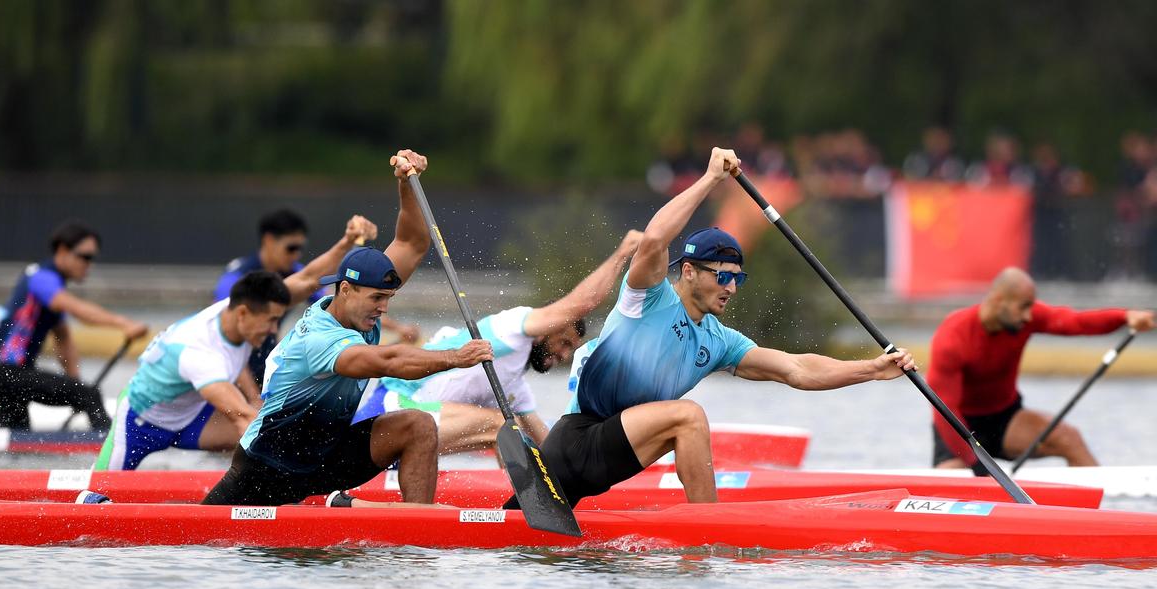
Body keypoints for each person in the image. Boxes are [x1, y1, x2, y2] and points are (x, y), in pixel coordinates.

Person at [507, 147, 915, 509]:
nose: (732, 287)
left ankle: (702, 527)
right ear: (688, 271)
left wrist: (873, 370)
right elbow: (652, 241)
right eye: (723, 276)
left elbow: (796, 369)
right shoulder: (647, 297)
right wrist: (711, 179)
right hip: (577, 441)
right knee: (689, 417)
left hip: (609, 456)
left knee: (686, 421)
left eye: (738, 278)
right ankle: (709, 530)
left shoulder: (719, 341)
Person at [202, 150, 494, 507]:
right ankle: (343, 506)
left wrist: (407, 184)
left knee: (418, 425)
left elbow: (412, 243)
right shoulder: (321, 339)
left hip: (327, 457)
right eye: (377, 299)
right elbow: (388, 360)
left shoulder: (361, 302)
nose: (384, 307)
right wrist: (455, 357)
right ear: (345, 290)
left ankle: (419, 530)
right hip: (267, 470)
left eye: (388, 297)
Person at [93, 216, 369, 470]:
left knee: (280, 431)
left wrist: (347, 242)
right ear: (243, 314)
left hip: (192, 418)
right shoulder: (199, 353)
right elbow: (241, 418)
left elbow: (309, 279)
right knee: (97, 494)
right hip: (140, 423)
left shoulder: (246, 307)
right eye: (271, 321)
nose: (275, 330)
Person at [356, 229, 644, 455]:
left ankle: (511, 508)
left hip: (411, 427)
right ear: (547, 329)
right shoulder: (513, 325)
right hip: (387, 411)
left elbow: (545, 444)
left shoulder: (513, 383)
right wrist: (624, 252)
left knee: (511, 434)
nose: (565, 355)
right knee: (501, 425)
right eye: (564, 343)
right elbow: (584, 303)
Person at [928, 267, 1154, 472]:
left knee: (1069, 438)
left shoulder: (1024, 319)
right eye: (1023, 307)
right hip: (957, 424)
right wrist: (978, 467)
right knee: (953, 475)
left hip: (1004, 420)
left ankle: (1103, 515)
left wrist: (1125, 316)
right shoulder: (953, 337)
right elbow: (943, 410)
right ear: (999, 300)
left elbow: (1076, 322)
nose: (1029, 315)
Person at [215, 209, 421, 387]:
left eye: (300, 249)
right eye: (291, 248)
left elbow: (344, 303)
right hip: (231, 370)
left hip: (265, 363)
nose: (296, 256)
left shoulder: (293, 271)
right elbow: (224, 341)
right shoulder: (235, 279)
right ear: (268, 240)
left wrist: (398, 329)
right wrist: (252, 398)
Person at [0, 221, 149, 431]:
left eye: (92, 259)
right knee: (90, 394)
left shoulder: (49, 287)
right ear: (62, 250)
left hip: (5, 376)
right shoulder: (41, 278)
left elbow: (63, 339)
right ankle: (111, 451)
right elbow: (76, 309)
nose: (89, 265)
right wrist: (125, 324)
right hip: (8, 374)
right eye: (85, 257)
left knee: (14, 440)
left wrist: (74, 384)